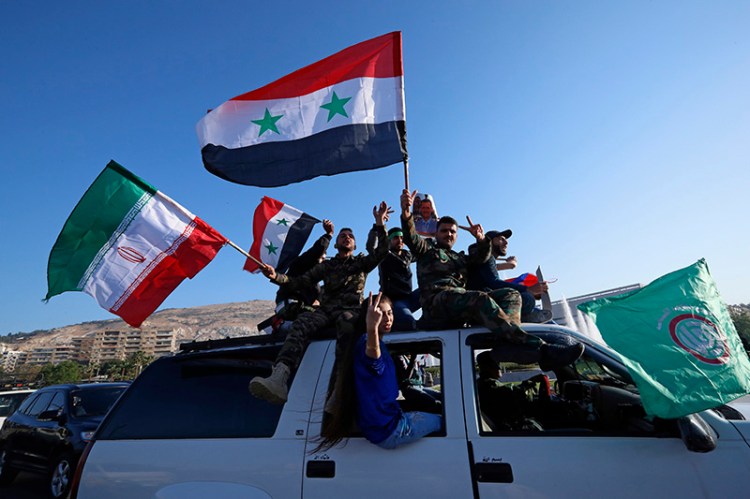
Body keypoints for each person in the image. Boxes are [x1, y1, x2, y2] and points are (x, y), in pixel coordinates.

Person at [399, 188, 583, 371]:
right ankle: (541, 349)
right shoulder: (426, 251)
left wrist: (481, 239)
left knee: (511, 295)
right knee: (478, 298)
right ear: (436, 233)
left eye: (453, 232)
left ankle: (509, 343)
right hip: (437, 304)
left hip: (459, 304)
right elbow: (410, 237)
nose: (449, 234)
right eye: (444, 231)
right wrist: (406, 212)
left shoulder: (460, 258)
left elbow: (482, 258)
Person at [249, 202, 390, 404]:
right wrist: (276, 276)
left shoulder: (361, 264)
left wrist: (379, 223)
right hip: (325, 311)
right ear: (336, 243)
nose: (347, 237)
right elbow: (299, 282)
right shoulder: (327, 266)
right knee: (303, 322)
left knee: (347, 326)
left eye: (350, 235)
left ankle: (338, 391)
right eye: (343, 235)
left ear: (355, 245)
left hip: (348, 311)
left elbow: (382, 252)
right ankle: (279, 378)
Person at [317, 293, 443, 451]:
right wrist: (372, 328)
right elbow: (373, 356)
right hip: (389, 430)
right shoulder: (366, 343)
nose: (387, 318)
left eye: (389, 313)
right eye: (380, 314)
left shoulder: (379, 345)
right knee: (444, 421)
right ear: (369, 317)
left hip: (386, 423)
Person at [467, 229, 552, 323]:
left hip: (480, 302)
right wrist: (527, 289)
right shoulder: (487, 258)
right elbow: (494, 282)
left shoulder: (484, 259)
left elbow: (494, 272)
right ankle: (519, 319)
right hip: (482, 304)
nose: (506, 242)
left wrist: (511, 264)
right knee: (527, 298)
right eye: (501, 239)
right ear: (491, 241)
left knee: (526, 298)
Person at [270, 219, 335, 333]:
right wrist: (328, 235)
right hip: (289, 306)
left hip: (304, 310)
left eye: (324, 259)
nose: (322, 261)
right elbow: (316, 250)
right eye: (320, 258)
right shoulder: (299, 265)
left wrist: (319, 301)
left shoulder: (317, 282)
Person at [476, 351, 547, 431]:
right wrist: (529, 384)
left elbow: (509, 391)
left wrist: (527, 383)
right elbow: (512, 393)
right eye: (495, 364)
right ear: (486, 367)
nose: (499, 368)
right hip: (506, 427)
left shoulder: (482, 383)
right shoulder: (488, 384)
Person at [367, 226, 420, 330]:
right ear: (389, 240)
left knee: (432, 288)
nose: (399, 240)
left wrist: (433, 232)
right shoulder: (384, 255)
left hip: (410, 297)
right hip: (395, 301)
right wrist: (376, 228)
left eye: (401, 238)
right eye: (396, 238)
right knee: (408, 321)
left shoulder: (407, 255)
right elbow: (371, 248)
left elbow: (422, 250)